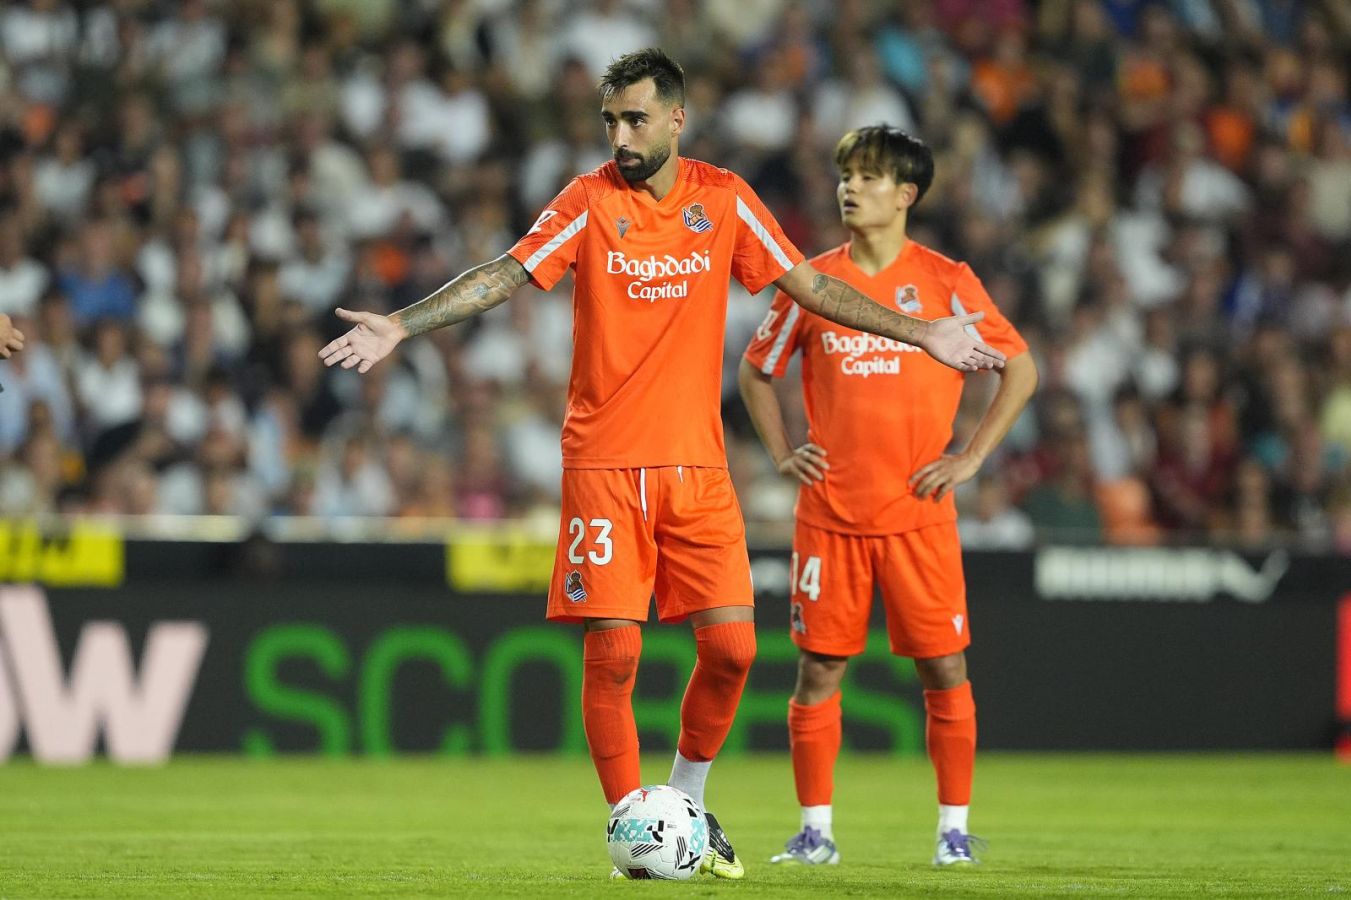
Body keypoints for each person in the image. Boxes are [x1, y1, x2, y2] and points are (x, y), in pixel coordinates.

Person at [319, 50, 1005, 879]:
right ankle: (629, 830)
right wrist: (401, 323)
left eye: (635, 118)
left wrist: (924, 332)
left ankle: (685, 800)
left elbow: (810, 288)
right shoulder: (588, 199)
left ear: (676, 119)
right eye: (609, 119)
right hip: (604, 464)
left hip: (698, 471)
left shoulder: (722, 199)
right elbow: (506, 272)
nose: (619, 135)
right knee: (613, 657)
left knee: (735, 653)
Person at [740, 126, 1036, 867]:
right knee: (818, 670)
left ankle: (953, 832)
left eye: (868, 177)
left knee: (943, 667)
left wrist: (970, 456)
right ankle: (814, 833)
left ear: (905, 194)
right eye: (845, 175)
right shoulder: (811, 281)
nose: (850, 187)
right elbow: (754, 371)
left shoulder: (945, 281)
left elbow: (1019, 367)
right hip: (830, 515)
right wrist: (781, 452)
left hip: (918, 514)